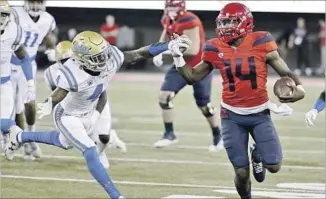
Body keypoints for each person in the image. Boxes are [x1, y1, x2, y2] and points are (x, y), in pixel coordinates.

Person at [5, 30, 190, 199]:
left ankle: (20, 135)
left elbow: (140, 53)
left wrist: (168, 45)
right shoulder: (71, 72)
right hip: (68, 115)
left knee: (64, 142)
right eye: (97, 57)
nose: (104, 59)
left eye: (103, 53)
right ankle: (117, 196)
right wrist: (49, 103)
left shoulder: (111, 58)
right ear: (81, 59)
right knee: (90, 151)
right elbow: (61, 92)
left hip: (90, 109)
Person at [172, 3, 305, 199]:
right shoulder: (214, 46)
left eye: (230, 22)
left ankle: (257, 151)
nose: (225, 27)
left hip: (260, 114)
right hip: (231, 116)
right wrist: (177, 57)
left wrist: (299, 89)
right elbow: (192, 77)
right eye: (223, 22)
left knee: (274, 166)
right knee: (241, 173)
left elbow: (286, 72)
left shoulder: (262, 41)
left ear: (246, 22)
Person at [43, 40, 127, 168]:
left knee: (104, 137)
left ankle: (101, 151)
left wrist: (96, 116)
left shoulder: (87, 68)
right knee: (72, 139)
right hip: (76, 105)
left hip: (96, 98)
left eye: (70, 59)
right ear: (57, 61)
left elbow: (102, 92)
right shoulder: (52, 73)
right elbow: (58, 96)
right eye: (63, 60)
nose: (68, 63)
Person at [152, 0, 222, 152]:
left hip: (199, 65)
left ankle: (218, 136)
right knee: (164, 97)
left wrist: (165, 51)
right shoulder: (167, 18)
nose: (171, 10)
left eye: (174, 6)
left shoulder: (190, 20)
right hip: (180, 63)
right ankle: (169, 135)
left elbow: (193, 50)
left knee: (204, 105)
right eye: (169, 6)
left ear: (182, 7)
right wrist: (158, 48)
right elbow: (166, 31)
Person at [10, 0, 57, 160]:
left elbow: (49, 36)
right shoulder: (15, 13)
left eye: (39, 1)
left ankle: (30, 135)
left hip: (28, 64)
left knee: (29, 102)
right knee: (14, 107)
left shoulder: (47, 19)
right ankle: (23, 141)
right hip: (7, 63)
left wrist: (52, 49)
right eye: (33, 1)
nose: (36, 5)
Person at [0, 0, 35, 149]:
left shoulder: (14, 31)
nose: (1, 18)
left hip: (4, 83)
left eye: (4, 15)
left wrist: (31, 83)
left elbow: (24, 57)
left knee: (4, 125)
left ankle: (21, 139)